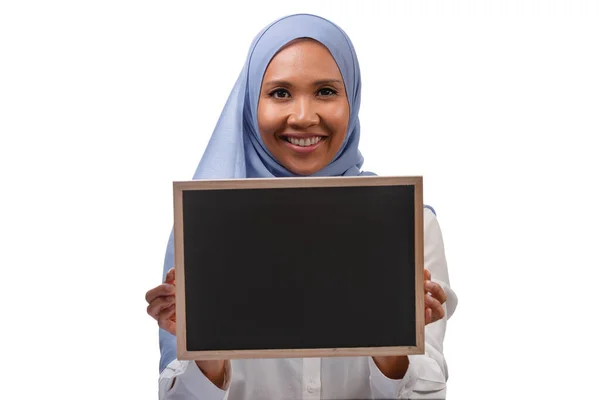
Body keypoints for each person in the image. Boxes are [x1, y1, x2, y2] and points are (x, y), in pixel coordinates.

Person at [145, 13, 457, 399]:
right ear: (250, 102)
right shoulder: (202, 227)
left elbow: (427, 392)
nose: (304, 116)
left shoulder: (409, 226)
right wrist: (206, 355)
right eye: (280, 93)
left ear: (352, 98)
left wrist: (394, 346)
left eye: (326, 91)